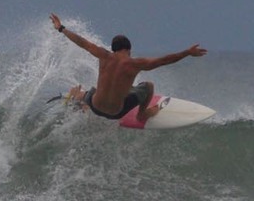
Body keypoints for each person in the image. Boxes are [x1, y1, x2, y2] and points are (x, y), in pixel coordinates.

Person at [49, 14, 207, 121]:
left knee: (88, 92)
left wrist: (61, 28)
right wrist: (187, 52)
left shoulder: (104, 55)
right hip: (116, 113)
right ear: (128, 49)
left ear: (114, 49)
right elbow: (164, 60)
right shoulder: (134, 64)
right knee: (148, 86)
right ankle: (142, 114)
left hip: (96, 107)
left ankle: (79, 100)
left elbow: (81, 42)